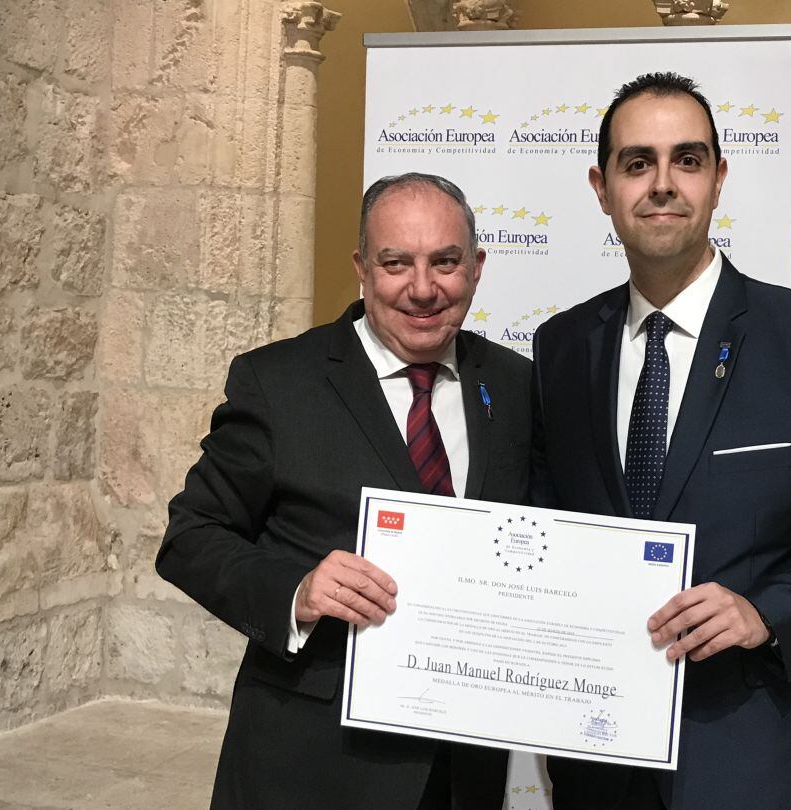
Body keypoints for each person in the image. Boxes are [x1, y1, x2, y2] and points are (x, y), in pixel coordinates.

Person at [530, 72, 791, 809]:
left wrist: (767, 609)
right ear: (601, 187)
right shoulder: (562, 347)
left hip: (765, 757)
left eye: (687, 160)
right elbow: (548, 518)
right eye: (636, 163)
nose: (662, 184)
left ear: (719, 179)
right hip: (600, 759)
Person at [157, 172, 531, 809]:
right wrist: (297, 591)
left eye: (446, 262)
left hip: (464, 768)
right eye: (396, 263)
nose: (422, 288)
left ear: (477, 267)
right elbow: (190, 537)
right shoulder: (277, 383)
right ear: (362, 267)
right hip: (311, 765)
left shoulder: (516, 385)